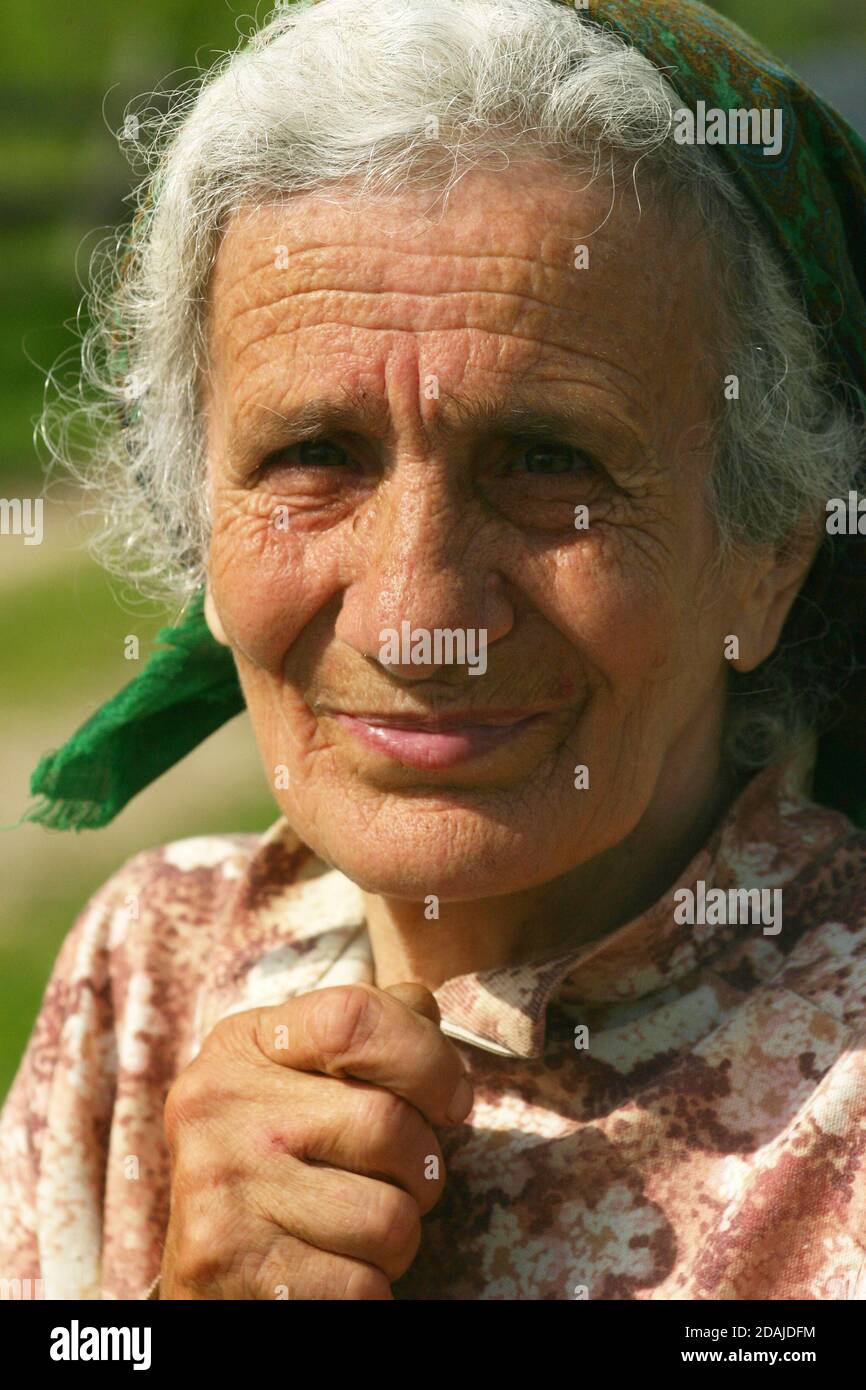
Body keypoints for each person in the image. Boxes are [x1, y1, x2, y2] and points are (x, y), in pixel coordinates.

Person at [2, 0, 866, 1300]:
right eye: (313, 455)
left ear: (766, 550)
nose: (416, 613)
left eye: (544, 461)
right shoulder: (150, 968)